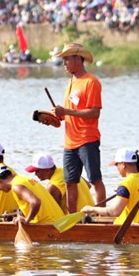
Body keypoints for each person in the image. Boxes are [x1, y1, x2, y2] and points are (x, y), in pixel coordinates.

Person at [49, 42, 106, 213]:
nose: (64, 63)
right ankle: (72, 217)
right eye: (63, 60)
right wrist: (56, 117)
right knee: (70, 182)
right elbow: (70, 114)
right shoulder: (71, 81)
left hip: (87, 139)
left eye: (67, 59)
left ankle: (102, 216)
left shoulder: (91, 82)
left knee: (95, 179)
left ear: (77, 59)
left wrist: (66, 111)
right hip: (70, 142)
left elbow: (94, 113)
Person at [81, 149, 139, 225]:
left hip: (126, 228)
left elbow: (115, 211)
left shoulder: (126, 184)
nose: (117, 168)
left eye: (117, 164)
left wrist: (92, 209)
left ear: (123, 164)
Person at [0, 163, 64, 224]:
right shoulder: (25, 179)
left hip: (49, 224)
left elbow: (35, 202)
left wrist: (27, 220)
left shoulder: (16, 186)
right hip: (59, 221)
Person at [25, 152, 93, 214]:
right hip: (91, 213)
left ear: (47, 170)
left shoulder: (53, 186)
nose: (35, 174)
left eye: (37, 171)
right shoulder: (66, 170)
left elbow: (53, 211)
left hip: (77, 218)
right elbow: (88, 185)